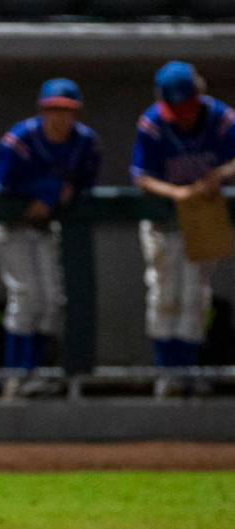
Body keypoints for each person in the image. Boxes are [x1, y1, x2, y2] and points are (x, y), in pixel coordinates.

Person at [0, 78, 100, 398]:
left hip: (44, 227)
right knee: (26, 295)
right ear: (42, 110)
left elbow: (85, 185)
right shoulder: (18, 140)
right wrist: (45, 192)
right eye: (53, 110)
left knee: (52, 299)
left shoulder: (85, 141)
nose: (59, 117)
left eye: (67, 110)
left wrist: (61, 195)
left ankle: (39, 372)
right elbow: (3, 191)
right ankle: (16, 375)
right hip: (8, 226)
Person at [131, 61, 235, 398]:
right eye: (176, 108)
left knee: (195, 296)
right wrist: (178, 193)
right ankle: (168, 375)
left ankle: (189, 373)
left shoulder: (220, 117)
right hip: (164, 220)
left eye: (187, 106)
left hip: (202, 217)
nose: (184, 114)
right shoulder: (154, 122)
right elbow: (141, 176)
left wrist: (216, 176)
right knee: (165, 295)